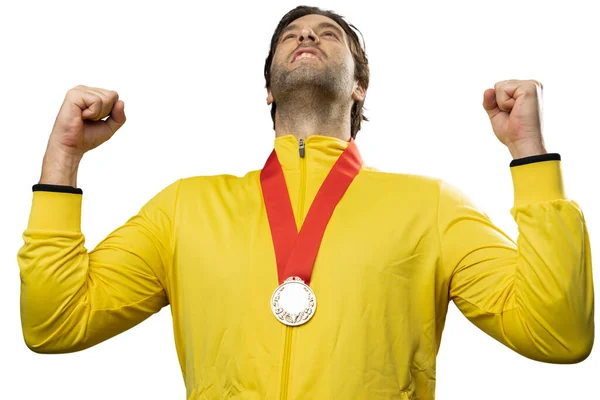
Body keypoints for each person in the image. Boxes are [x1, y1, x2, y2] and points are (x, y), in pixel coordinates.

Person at [17, 5, 594, 399]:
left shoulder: (433, 206)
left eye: (328, 33)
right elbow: (56, 324)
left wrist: (530, 154)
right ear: (268, 87)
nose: (307, 36)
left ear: (359, 86)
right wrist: (63, 158)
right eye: (291, 35)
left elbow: (558, 332)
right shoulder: (183, 207)